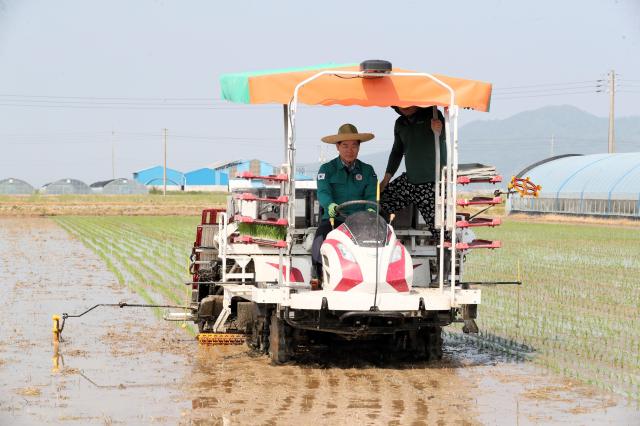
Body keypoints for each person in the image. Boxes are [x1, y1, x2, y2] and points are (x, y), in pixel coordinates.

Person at [311, 123, 377, 284]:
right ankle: (317, 277)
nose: (350, 150)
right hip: (335, 220)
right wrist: (330, 206)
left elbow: (372, 195)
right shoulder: (326, 169)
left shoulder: (368, 170)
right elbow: (323, 192)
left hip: (362, 222)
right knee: (319, 240)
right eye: (345, 145)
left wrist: (370, 209)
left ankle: (376, 279)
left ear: (359, 148)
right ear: (337, 147)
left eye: (354, 145)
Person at [380, 105, 446, 237]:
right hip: (410, 181)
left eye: (409, 103)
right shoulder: (400, 123)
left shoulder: (433, 114)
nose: (405, 106)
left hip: (432, 184)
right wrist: (385, 180)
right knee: (379, 202)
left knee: (440, 230)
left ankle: (447, 255)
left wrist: (439, 130)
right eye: (401, 103)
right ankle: (383, 237)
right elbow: (397, 152)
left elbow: (443, 137)